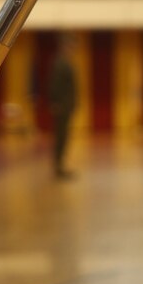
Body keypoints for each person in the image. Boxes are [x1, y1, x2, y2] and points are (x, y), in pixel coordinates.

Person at [48, 34, 78, 179]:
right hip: (62, 107)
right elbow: (55, 85)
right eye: (71, 46)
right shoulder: (60, 63)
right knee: (61, 137)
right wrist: (56, 103)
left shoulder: (65, 62)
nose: (73, 49)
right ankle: (59, 167)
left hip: (66, 106)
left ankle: (61, 165)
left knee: (64, 137)